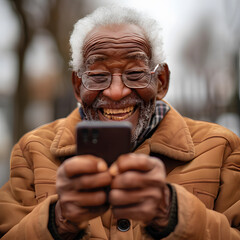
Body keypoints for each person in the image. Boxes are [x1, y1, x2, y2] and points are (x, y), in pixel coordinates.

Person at [0, 5, 240, 240]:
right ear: (77, 85)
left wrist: (173, 212)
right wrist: (57, 219)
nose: (116, 92)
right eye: (98, 76)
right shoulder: (33, 151)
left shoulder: (221, 148)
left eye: (135, 74)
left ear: (161, 81)